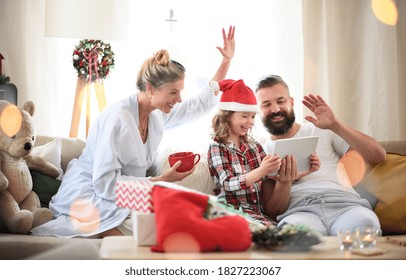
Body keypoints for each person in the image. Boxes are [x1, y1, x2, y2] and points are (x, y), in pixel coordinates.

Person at [31, 26, 235, 238]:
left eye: (180, 91)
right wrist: (161, 180)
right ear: (150, 88)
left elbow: (198, 105)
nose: (179, 98)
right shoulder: (118, 119)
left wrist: (225, 62)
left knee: (193, 208)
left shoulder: (157, 113)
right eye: (173, 92)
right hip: (94, 193)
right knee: (164, 226)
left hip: (131, 191)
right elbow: (105, 185)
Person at [255, 74, 386, 236]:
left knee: (365, 225)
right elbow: (273, 212)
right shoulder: (260, 151)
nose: (275, 109)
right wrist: (285, 181)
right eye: (266, 104)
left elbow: (378, 155)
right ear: (258, 111)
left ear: (291, 102)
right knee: (292, 237)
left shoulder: (321, 129)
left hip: (346, 205)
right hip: (300, 211)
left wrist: (336, 125)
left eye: (281, 101)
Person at [207, 79, 295, 226]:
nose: (250, 121)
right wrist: (261, 171)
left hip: (256, 213)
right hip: (230, 210)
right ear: (227, 115)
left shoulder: (253, 145)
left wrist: (296, 169)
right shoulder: (217, 146)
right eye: (244, 116)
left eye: (253, 116)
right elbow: (228, 184)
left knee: (279, 231)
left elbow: (271, 173)